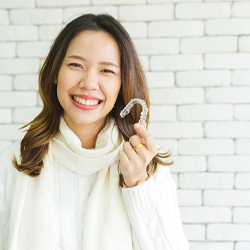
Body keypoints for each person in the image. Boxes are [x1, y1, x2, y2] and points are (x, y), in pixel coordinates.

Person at [0, 14, 188, 249]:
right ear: (55, 73)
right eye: (76, 65)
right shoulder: (13, 163)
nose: (89, 82)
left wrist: (137, 184)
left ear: (122, 85)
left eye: (107, 71)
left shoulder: (147, 166)